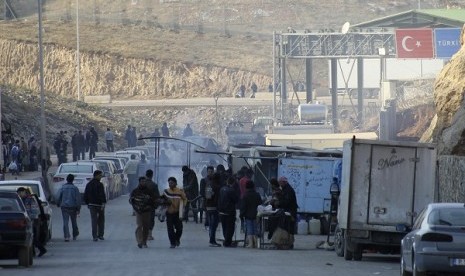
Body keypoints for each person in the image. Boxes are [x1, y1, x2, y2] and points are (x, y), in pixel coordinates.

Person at [17, 187, 47, 257]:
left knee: (32, 237)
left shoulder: (30, 200)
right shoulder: (20, 200)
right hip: (24, 221)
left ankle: (42, 249)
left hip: (31, 221)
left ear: (24, 192)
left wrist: (29, 218)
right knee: (31, 237)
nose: (19, 195)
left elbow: (35, 211)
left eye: (20, 193)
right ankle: (34, 252)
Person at [129, 177, 158, 248]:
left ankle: (144, 241)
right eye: (142, 181)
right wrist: (135, 207)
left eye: (144, 181)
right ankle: (140, 241)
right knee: (139, 225)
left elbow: (154, 200)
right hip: (138, 211)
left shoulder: (149, 191)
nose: (143, 183)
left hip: (147, 211)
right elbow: (131, 200)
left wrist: (151, 203)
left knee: (146, 227)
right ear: (139, 182)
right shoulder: (135, 191)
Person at [56, 174, 81, 242]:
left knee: (65, 222)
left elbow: (58, 196)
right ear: (73, 180)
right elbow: (78, 199)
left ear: (67, 179)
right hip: (73, 207)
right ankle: (75, 235)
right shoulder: (75, 188)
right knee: (74, 221)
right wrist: (78, 208)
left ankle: (66, 236)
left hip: (64, 207)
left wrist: (58, 203)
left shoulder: (62, 187)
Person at [163, 177, 187, 248]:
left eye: (172, 183)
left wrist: (183, 206)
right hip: (169, 213)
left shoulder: (180, 191)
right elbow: (161, 200)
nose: (170, 184)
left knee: (179, 228)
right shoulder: (166, 192)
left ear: (175, 183)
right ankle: (172, 243)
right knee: (170, 229)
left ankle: (177, 239)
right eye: (169, 183)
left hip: (177, 213)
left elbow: (185, 199)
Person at [83, 170, 107, 241]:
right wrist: (103, 203)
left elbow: (85, 195)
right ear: (96, 175)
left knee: (94, 220)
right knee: (101, 220)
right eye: (100, 175)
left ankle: (94, 236)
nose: (101, 177)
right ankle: (101, 235)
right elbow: (102, 195)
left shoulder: (89, 184)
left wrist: (87, 203)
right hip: (99, 205)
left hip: (91, 204)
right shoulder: (100, 184)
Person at [240, 180, 262, 248]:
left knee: (249, 230)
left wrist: (241, 215)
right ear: (253, 186)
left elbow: (243, 206)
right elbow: (260, 205)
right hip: (256, 214)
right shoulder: (257, 195)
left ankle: (250, 243)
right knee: (255, 229)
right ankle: (256, 243)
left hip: (248, 215)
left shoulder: (245, 196)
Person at [218, 176, 239, 247]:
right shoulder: (232, 190)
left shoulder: (222, 189)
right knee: (230, 228)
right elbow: (236, 200)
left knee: (224, 227)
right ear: (233, 183)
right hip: (230, 211)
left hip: (222, 211)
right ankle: (228, 242)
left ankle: (226, 240)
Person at [205, 172, 222, 246]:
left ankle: (211, 239)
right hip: (214, 207)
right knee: (214, 225)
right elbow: (218, 198)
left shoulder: (208, 184)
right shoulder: (217, 187)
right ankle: (212, 241)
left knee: (211, 224)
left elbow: (207, 196)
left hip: (208, 207)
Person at [145, 169, 160, 240]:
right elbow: (157, 196)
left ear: (146, 175)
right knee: (151, 220)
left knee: (143, 220)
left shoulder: (141, 184)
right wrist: (157, 205)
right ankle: (149, 235)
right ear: (152, 175)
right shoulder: (154, 185)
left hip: (142, 206)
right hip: (151, 206)